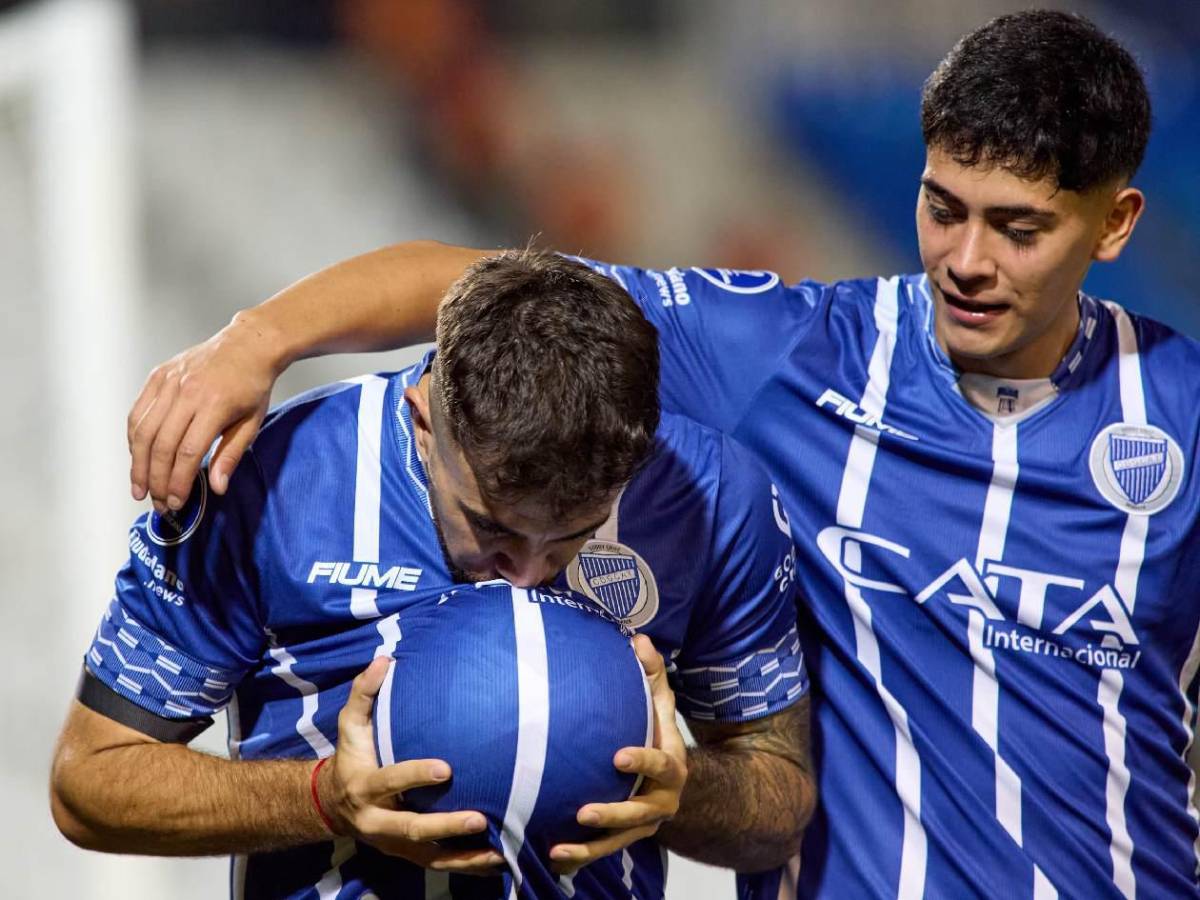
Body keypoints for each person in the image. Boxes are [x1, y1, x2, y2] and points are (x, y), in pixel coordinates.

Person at [119, 10, 1200, 898]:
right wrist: (255, 342)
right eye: (941, 208)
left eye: (1017, 228)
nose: (964, 260)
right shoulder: (789, 354)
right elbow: (485, 288)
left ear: (1114, 225)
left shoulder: (1183, 418)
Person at [52, 250, 814, 898]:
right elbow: (89, 784)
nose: (523, 577)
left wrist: (681, 793)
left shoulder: (711, 498)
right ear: (425, 418)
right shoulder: (273, 481)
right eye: (492, 529)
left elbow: (780, 800)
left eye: (573, 538)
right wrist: (322, 799)